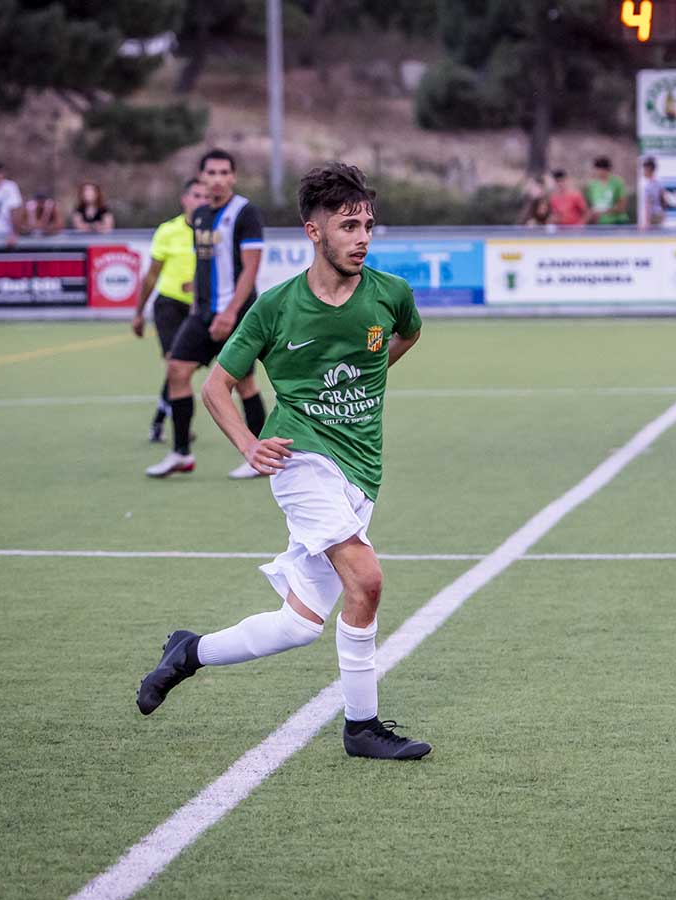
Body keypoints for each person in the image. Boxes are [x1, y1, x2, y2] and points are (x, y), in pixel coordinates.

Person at [136, 161, 431, 761]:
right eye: (348, 226)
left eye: (368, 225)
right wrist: (249, 445)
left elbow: (407, 335)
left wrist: (368, 378)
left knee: (298, 625)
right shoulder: (275, 307)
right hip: (300, 459)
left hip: (361, 468)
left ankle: (189, 651)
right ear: (314, 232)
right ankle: (362, 727)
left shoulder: (391, 294)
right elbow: (217, 386)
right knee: (367, 579)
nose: (363, 238)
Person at [145, 149, 268, 479]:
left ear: (233, 177)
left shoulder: (245, 212)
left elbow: (251, 269)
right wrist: (199, 306)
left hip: (236, 314)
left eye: (224, 172)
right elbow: (203, 265)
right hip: (202, 314)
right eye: (211, 173)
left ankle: (260, 456)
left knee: (244, 383)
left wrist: (230, 312)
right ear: (201, 177)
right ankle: (181, 453)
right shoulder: (199, 215)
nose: (217, 179)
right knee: (177, 369)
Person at [132, 177, 207, 443]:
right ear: (185, 199)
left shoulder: (214, 230)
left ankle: (161, 419)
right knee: (176, 362)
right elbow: (152, 274)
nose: (201, 201)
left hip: (200, 308)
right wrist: (139, 312)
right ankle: (173, 427)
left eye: (205, 196)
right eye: (196, 195)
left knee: (185, 368)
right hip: (170, 305)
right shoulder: (168, 231)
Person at [584, 156, 629, 225]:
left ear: (605, 170)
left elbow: (622, 206)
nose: (596, 172)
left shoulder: (617, 182)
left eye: (599, 169)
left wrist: (605, 211)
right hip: (601, 224)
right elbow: (594, 207)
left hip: (618, 223)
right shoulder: (593, 185)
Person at [640, 157, 666, 229]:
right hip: (658, 214)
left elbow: (648, 204)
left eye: (644, 170)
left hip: (654, 216)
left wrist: (647, 221)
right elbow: (664, 199)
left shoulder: (650, 186)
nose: (643, 172)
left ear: (649, 170)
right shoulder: (659, 182)